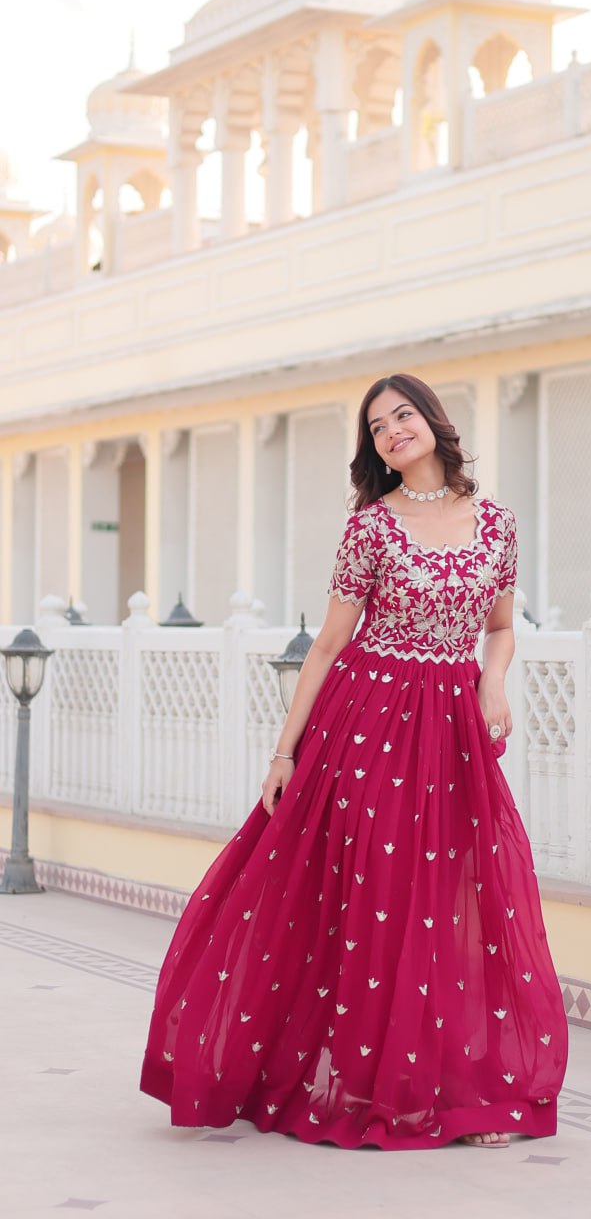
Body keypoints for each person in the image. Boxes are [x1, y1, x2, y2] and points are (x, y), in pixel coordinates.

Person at [140, 373, 568, 1150]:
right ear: (373, 450)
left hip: (450, 727)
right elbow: (330, 645)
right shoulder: (371, 529)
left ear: (433, 421)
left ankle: (458, 1094)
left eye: (402, 415)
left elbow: (501, 626)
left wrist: (492, 681)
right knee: (373, 893)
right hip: (367, 722)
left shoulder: (496, 523)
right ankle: (370, 1087)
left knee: (451, 896)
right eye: (376, 427)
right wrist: (284, 751)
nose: (393, 431)